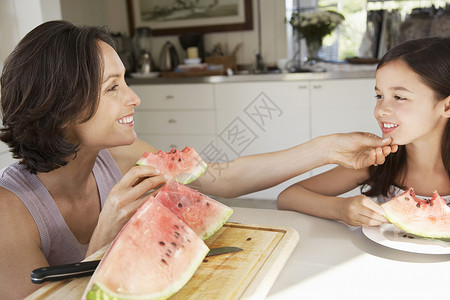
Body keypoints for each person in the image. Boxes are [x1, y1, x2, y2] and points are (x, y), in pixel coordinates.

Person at [0, 20, 396, 299]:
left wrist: (326, 148)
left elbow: (220, 178)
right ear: (62, 107)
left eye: (127, 81)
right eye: (113, 88)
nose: (134, 98)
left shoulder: (115, 156)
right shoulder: (10, 211)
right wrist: (105, 238)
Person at [278, 37, 450, 228]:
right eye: (379, 96)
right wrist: (340, 208)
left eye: (399, 97)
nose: (381, 110)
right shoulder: (377, 161)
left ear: (447, 105)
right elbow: (287, 198)